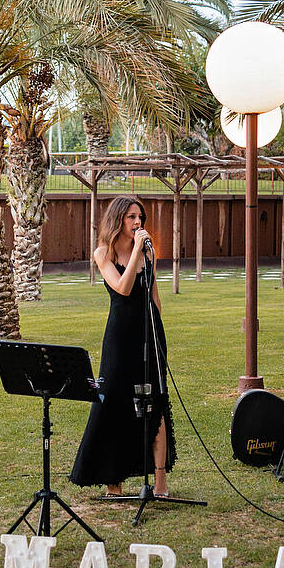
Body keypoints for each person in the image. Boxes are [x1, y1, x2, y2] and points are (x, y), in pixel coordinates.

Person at [70, 195, 176, 497]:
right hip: (120, 337)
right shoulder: (102, 253)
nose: (138, 222)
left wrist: (159, 335)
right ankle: (113, 480)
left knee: (155, 403)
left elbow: (154, 295)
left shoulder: (148, 252)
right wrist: (136, 254)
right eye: (131, 217)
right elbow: (123, 288)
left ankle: (160, 482)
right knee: (113, 402)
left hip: (148, 334)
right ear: (118, 220)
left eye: (140, 217)